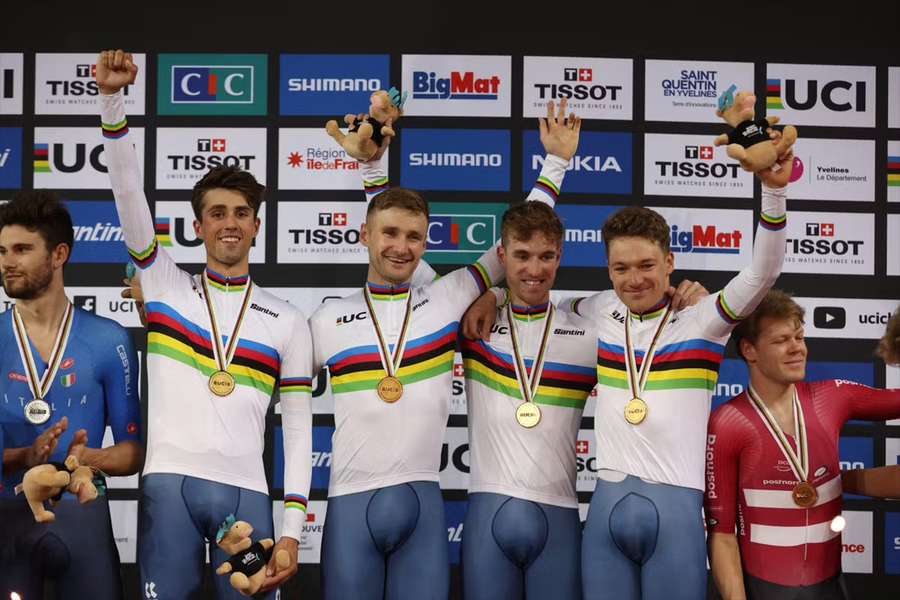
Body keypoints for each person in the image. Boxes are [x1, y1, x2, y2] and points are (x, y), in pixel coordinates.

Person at [308, 98, 579, 600]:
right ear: (364, 235)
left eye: (414, 237)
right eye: (389, 233)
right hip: (347, 505)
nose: (400, 246)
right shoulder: (325, 319)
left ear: (425, 241)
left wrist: (556, 164)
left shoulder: (448, 295)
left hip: (423, 506)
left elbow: (516, 245)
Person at [96, 50, 312, 598]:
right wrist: (112, 100)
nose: (230, 224)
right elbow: (127, 195)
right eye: (217, 213)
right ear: (198, 226)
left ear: (257, 225)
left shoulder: (286, 319)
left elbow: (299, 430)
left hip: (247, 492)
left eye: (241, 213)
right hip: (167, 486)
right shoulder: (165, 284)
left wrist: (291, 534)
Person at [706, 291, 900, 600]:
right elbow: (723, 534)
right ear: (749, 350)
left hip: (831, 586)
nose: (797, 347)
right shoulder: (728, 422)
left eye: (799, 336)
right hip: (763, 588)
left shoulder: (832, 397)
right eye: (781, 340)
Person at [0, 190, 143, 599]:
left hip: (83, 520)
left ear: (59, 254)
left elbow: (134, 451)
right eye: (3, 250)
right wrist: (25, 458)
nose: (8, 261)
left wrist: (87, 458)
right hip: (7, 523)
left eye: (23, 249)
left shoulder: (107, 339)